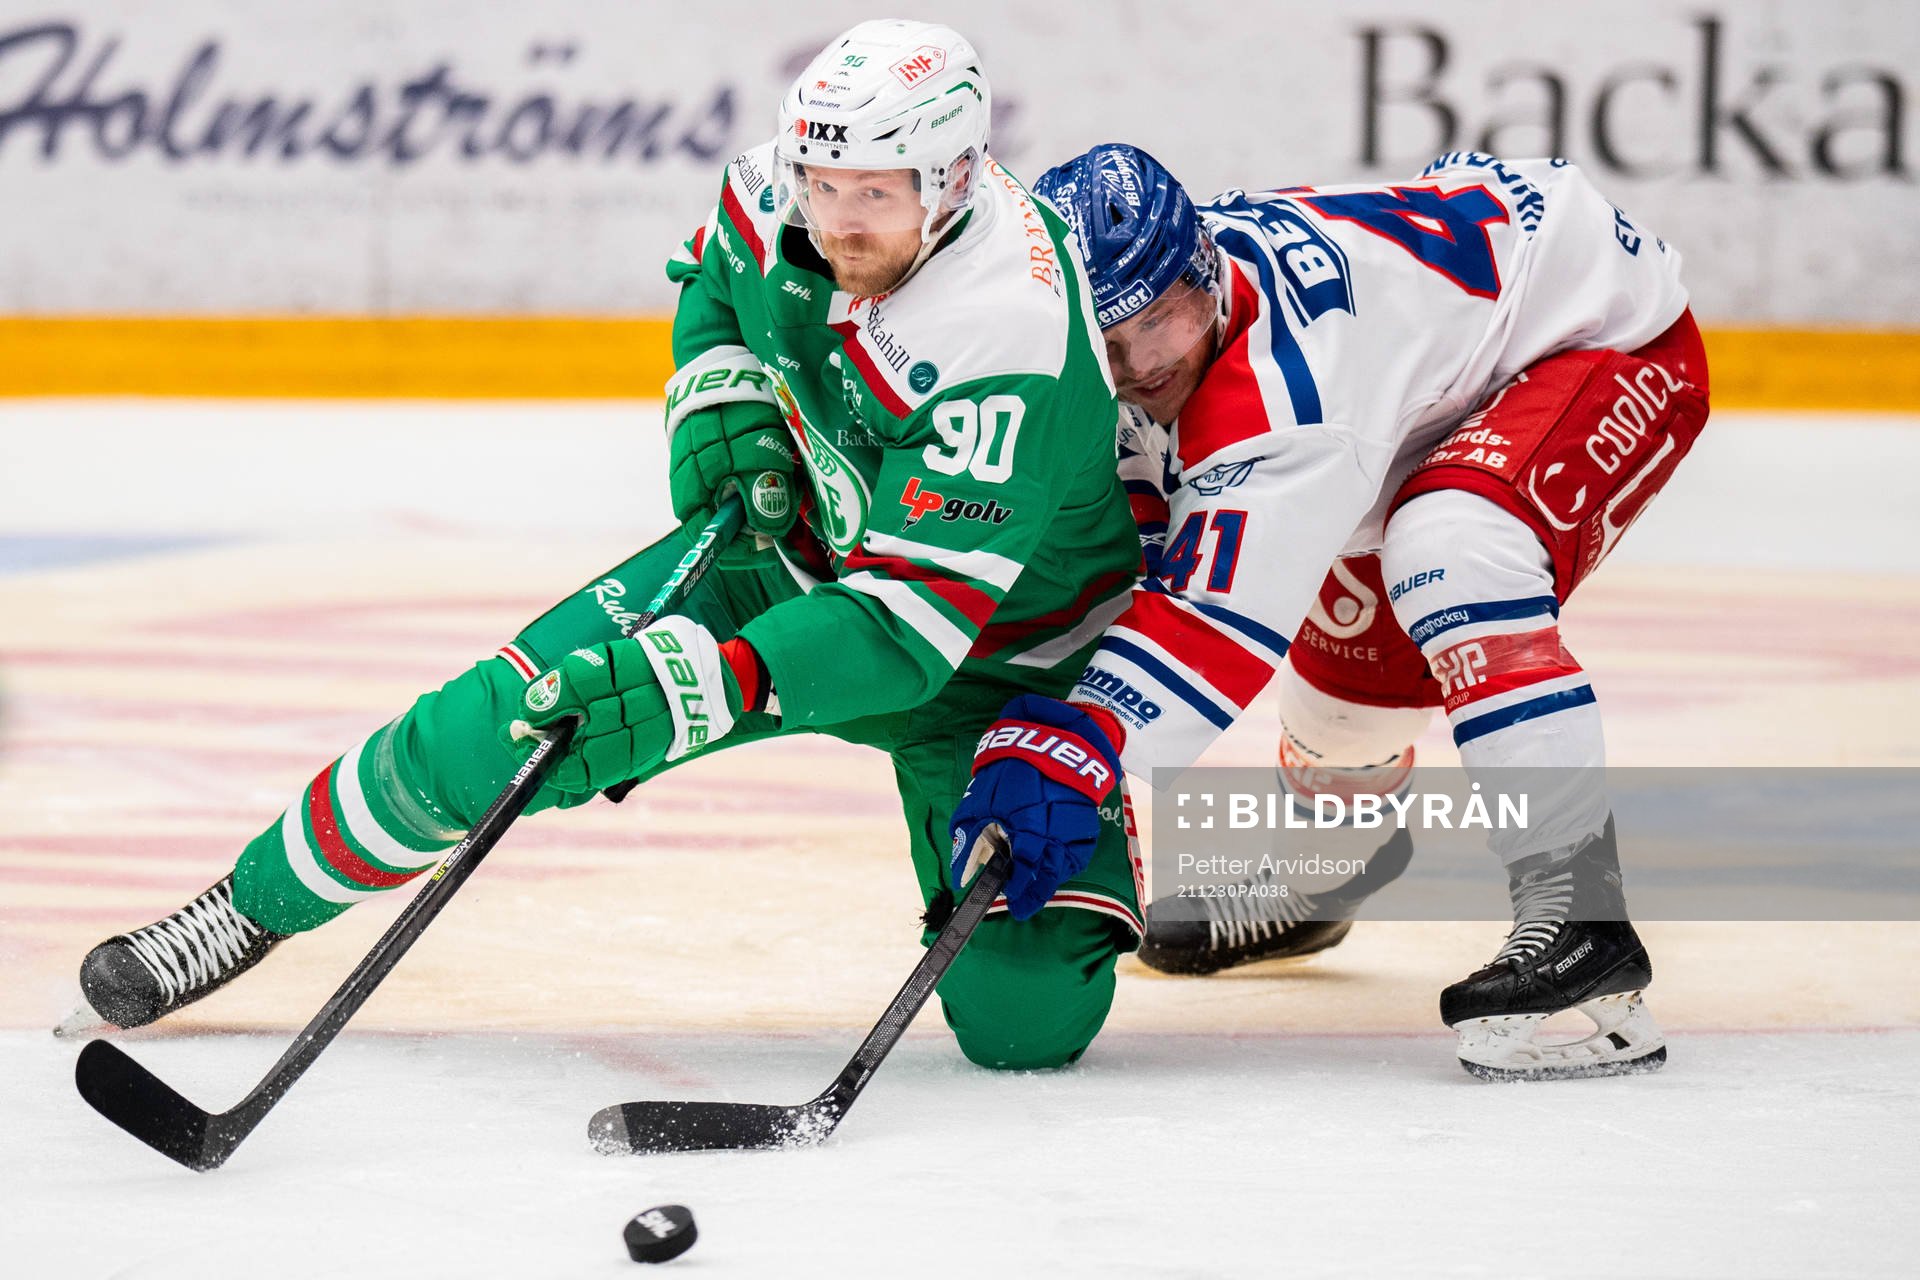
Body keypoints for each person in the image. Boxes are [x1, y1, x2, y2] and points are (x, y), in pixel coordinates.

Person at [75, 20, 1148, 1072]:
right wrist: (719, 399)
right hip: (789, 565)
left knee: (1025, 1020)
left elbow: (902, 629)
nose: (837, 221)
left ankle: (1121, 854)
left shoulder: (1011, 327)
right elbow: (717, 292)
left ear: (953, 178)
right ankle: (242, 906)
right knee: (499, 726)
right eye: (824, 186)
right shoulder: (776, 192)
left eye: (875, 194)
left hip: (999, 667)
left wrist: (704, 683)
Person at [956, 144, 1708, 1078]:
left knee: (1452, 548)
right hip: (1433, 380)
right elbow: (1148, 531)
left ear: (1201, 273)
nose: (1136, 365)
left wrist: (1076, 743)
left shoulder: (1296, 400)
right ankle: (1325, 867)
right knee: (1345, 707)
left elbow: (1210, 628)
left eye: (1157, 322)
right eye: (1102, 340)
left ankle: (1581, 919)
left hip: (1599, 339)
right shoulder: (1171, 317)